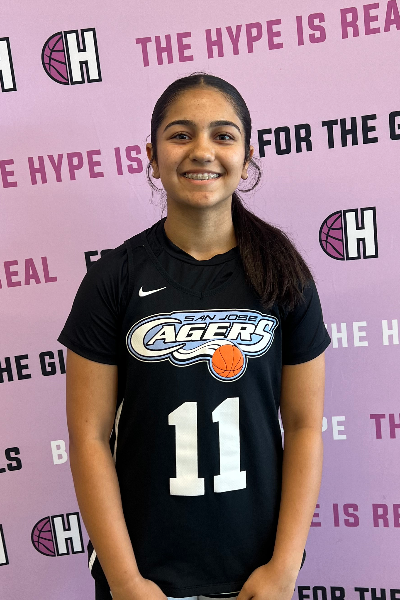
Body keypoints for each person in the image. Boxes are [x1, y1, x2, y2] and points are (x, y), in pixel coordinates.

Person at [59, 73, 331, 600]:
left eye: (223, 136)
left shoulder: (284, 276)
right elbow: (89, 438)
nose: (201, 150)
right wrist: (125, 581)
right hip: (145, 575)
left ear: (247, 157)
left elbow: (303, 427)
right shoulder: (113, 279)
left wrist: (283, 568)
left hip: (256, 574)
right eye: (180, 135)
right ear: (152, 155)